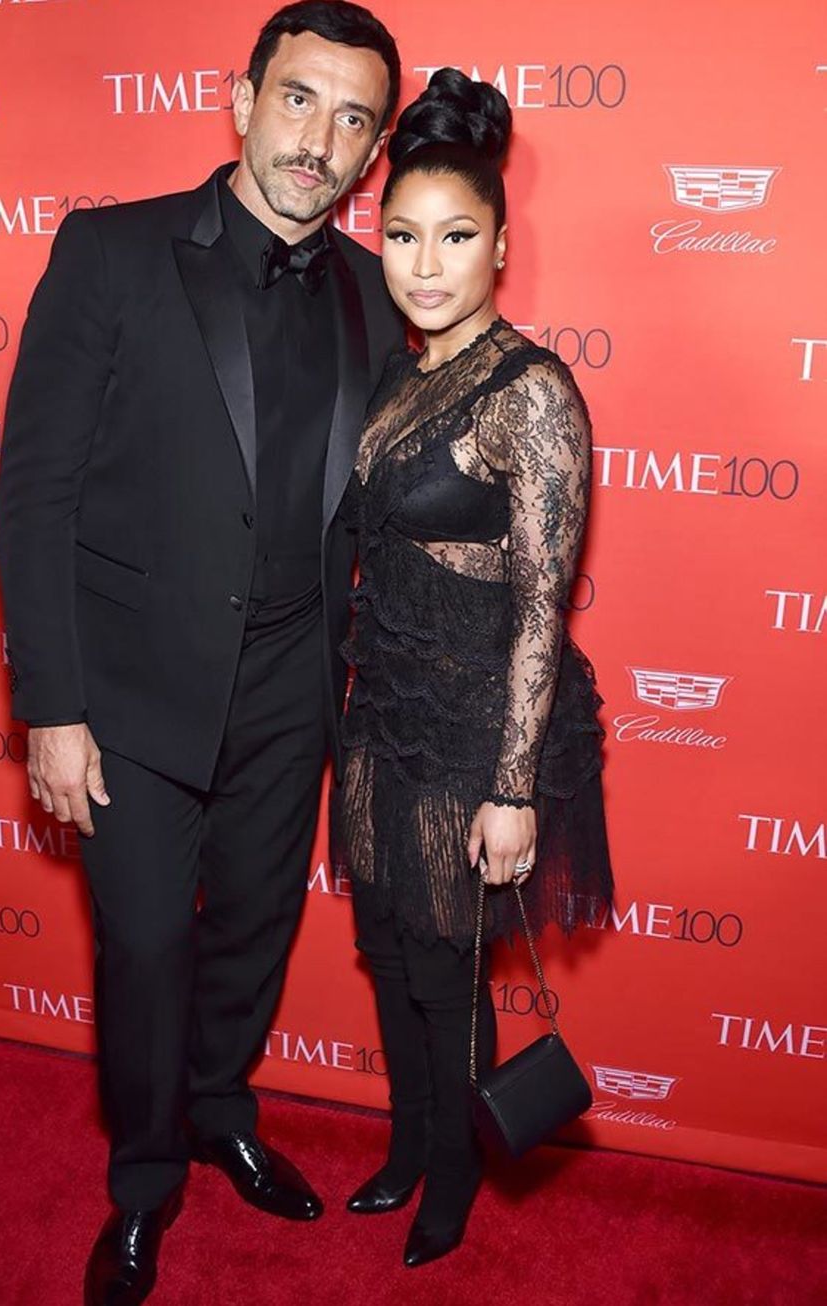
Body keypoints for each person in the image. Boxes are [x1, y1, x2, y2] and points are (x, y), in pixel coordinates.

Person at [0, 3, 402, 1302]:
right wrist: (50, 707)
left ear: (371, 150)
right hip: (127, 692)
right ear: (240, 101)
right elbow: (35, 494)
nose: (319, 138)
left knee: (255, 930)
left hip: (295, 683)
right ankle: (143, 1178)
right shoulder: (111, 254)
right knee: (147, 948)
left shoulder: (366, 292)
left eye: (353, 119)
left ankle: (224, 1104)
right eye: (299, 99)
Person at [330, 68, 616, 1268]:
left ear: (501, 244)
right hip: (378, 709)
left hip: (470, 728)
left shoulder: (531, 391)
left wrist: (511, 788)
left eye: (454, 236)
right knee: (389, 949)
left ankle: (451, 1171)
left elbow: (542, 605)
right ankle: (405, 1145)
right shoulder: (397, 374)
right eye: (400, 235)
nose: (424, 263)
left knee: (445, 965)